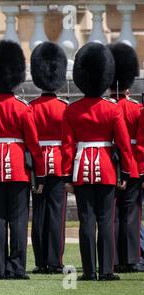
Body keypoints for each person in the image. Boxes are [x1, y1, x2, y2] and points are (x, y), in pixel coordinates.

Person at [0, 40, 45, 280]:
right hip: (17, 169)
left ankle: (0, 268)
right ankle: (17, 267)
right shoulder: (23, 108)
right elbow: (34, 145)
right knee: (18, 219)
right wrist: (40, 173)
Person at [62, 42, 133, 281]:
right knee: (105, 221)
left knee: (86, 222)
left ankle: (89, 271)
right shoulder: (112, 110)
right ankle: (106, 270)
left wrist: (66, 176)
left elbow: (67, 147)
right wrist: (126, 172)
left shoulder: (72, 110)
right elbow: (123, 145)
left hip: (81, 169)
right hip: (105, 170)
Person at [29, 42, 68, 274]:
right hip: (59, 162)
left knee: (39, 213)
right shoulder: (64, 107)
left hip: (38, 163)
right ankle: (55, 261)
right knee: (56, 213)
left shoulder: (31, 107)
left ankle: (41, 260)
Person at [108, 43, 143, 273]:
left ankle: (115, 259)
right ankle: (131, 259)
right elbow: (140, 143)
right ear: (128, 86)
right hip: (133, 165)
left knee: (113, 214)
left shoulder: (105, 106)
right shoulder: (136, 109)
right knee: (130, 212)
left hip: (108, 164)